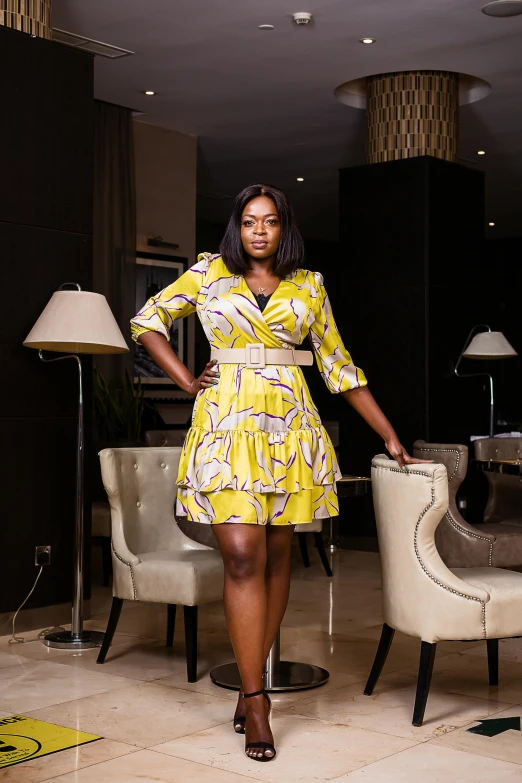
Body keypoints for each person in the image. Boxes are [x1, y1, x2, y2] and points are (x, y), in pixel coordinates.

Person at [131, 183, 429, 762]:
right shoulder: (209, 273)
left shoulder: (309, 285)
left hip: (290, 431)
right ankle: (257, 699)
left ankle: (249, 686)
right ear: (236, 228)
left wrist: (390, 436)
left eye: (268, 221)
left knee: (273, 557)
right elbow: (146, 320)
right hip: (224, 428)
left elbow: (340, 368)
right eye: (248, 222)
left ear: (282, 227)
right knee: (241, 555)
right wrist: (188, 381)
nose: (258, 231)